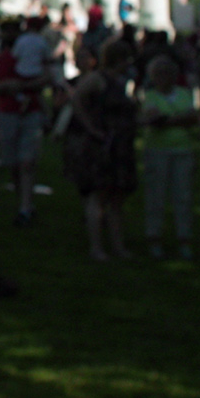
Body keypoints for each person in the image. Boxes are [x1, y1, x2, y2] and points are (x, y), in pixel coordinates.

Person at [63, 44, 138, 261]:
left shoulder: (122, 82)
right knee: (99, 195)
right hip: (101, 145)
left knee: (117, 198)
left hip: (120, 144)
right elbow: (77, 100)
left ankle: (118, 246)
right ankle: (96, 247)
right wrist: (91, 128)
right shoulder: (98, 79)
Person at [0, 22, 47, 226]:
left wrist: (23, 86)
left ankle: (25, 207)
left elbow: (44, 79)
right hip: (8, 113)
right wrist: (5, 87)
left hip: (29, 113)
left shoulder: (30, 60)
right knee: (13, 163)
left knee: (26, 162)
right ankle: (25, 201)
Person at [141, 55, 200, 259]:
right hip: (157, 149)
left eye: (167, 74)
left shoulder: (184, 94)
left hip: (182, 150)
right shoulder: (150, 96)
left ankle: (184, 237)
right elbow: (153, 119)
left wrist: (168, 119)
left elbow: (193, 117)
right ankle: (154, 236)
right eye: (158, 74)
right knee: (155, 195)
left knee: (182, 196)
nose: (163, 78)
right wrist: (179, 119)